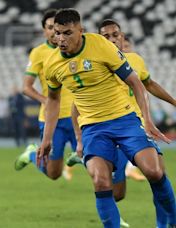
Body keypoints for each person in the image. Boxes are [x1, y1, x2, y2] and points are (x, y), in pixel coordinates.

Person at [39, 9, 176, 227]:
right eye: (57, 33)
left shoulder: (100, 46)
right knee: (101, 182)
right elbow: (54, 101)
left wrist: (147, 121)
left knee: (154, 171)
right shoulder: (52, 64)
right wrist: (47, 139)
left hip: (125, 120)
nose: (61, 39)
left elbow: (136, 82)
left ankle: (170, 222)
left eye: (67, 33)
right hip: (93, 128)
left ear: (80, 31)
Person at [14, 9, 79, 181]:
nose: (53, 32)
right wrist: (46, 101)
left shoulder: (74, 48)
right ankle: (31, 155)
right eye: (49, 27)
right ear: (44, 30)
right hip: (53, 119)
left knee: (92, 161)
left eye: (56, 28)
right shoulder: (39, 53)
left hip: (77, 116)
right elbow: (26, 87)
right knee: (54, 173)